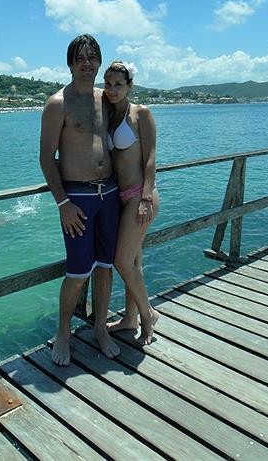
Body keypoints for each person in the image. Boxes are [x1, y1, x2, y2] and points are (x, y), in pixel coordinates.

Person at [40, 35, 121, 366]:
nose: (87, 63)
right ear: (70, 63)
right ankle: (63, 333)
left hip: (110, 194)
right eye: (80, 57)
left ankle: (100, 328)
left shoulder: (107, 99)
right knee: (77, 272)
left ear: (99, 62)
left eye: (92, 57)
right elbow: (46, 158)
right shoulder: (58, 103)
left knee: (105, 267)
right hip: (78, 199)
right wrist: (63, 204)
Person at [104, 61, 160, 345]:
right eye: (108, 83)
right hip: (119, 197)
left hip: (140, 195)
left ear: (129, 86)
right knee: (134, 261)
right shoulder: (109, 114)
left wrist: (146, 198)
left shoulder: (141, 113)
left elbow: (150, 158)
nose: (112, 89)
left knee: (122, 261)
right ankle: (130, 318)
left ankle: (148, 314)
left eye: (118, 84)